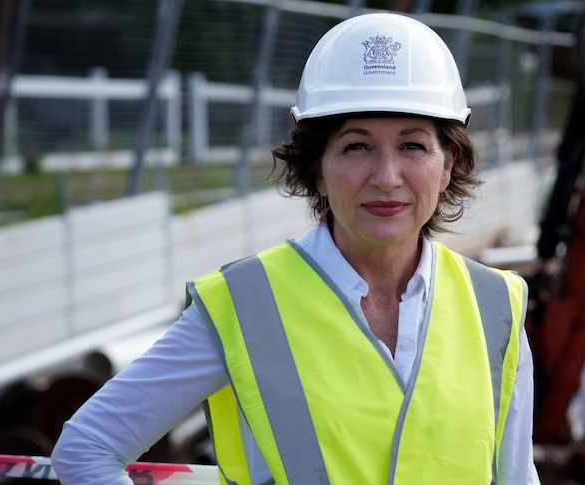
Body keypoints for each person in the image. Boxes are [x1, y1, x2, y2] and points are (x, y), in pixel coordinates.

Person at [52, 12, 540, 484]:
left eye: (412, 146)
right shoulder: (242, 305)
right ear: (318, 170)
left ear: (447, 163)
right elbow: (87, 449)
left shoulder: (496, 306)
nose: (387, 178)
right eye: (356, 146)